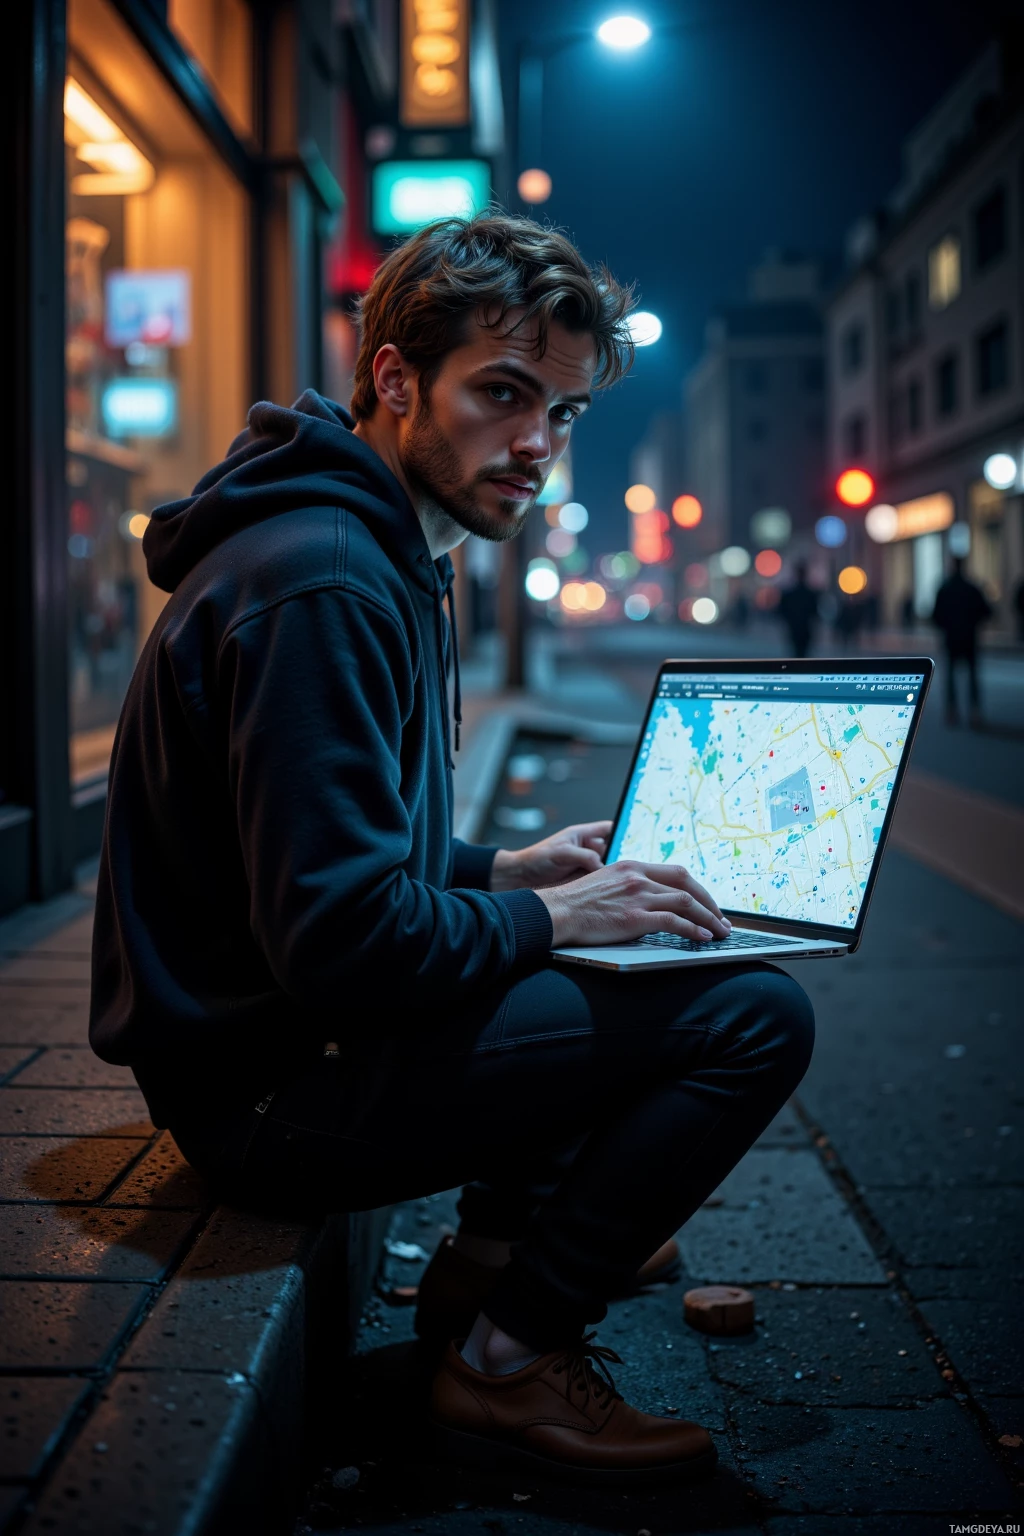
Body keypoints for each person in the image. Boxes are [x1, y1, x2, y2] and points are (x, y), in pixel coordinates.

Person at [89, 214, 813, 1488]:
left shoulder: (375, 543)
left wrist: (506, 873)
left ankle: (495, 1263)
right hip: (266, 1093)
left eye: (566, 413)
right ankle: (502, 1365)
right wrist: (563, 921)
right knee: (751, 1013)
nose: (537, 443)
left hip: (272, 1045)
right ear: (394, 380)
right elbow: (346, 947)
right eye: (503, 393)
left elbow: (339, 855)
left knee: (623, 950)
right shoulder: (326, 580)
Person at [931, 556, 992, 727]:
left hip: (951, 639)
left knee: (950, 676)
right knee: (972, 676)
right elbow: (986, 611)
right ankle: (974, 712)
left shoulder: (945, 588)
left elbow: (935, 616)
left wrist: (947, 626)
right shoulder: (972, 588)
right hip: (969, 638)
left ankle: (952, 711)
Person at [778, 561, 819, 657]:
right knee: (803, 653)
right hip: (805, 628)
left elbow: (781, 611)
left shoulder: (789, 594)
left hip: (795, 628)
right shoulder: (811, 594)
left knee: (796, 652)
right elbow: (815, 612)